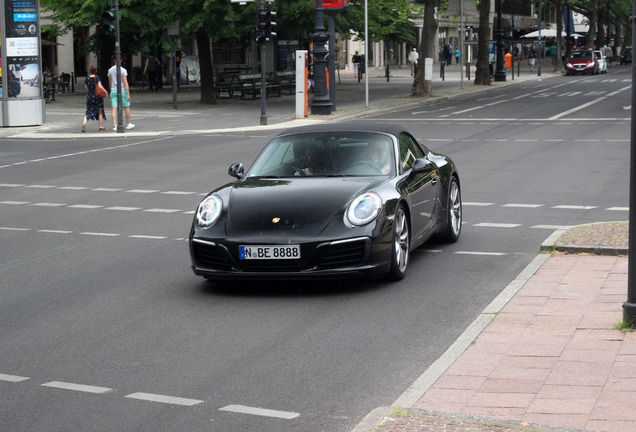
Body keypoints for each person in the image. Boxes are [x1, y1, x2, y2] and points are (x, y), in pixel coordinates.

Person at [108, 57, 135, 131]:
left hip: (113, 90)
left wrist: (111, 89)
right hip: (122, 90)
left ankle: (115, 125)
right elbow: (125, 83)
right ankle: (128, 123)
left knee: (114, 108)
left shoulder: (110, 70)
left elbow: (109, 82)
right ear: (121, 60)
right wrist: (128, 93)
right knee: (126, 107)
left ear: (114, 60)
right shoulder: (123, 70)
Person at [81, 65, 106, 132]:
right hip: (97, 96)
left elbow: (87, 88)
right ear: (95, 71)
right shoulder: (97, 77)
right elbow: (100, 86)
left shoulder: (87, 78)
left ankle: (84, 123)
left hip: (89, 96)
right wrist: (105, 91)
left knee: (88, 111)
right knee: (100, 110)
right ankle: (100, 126)